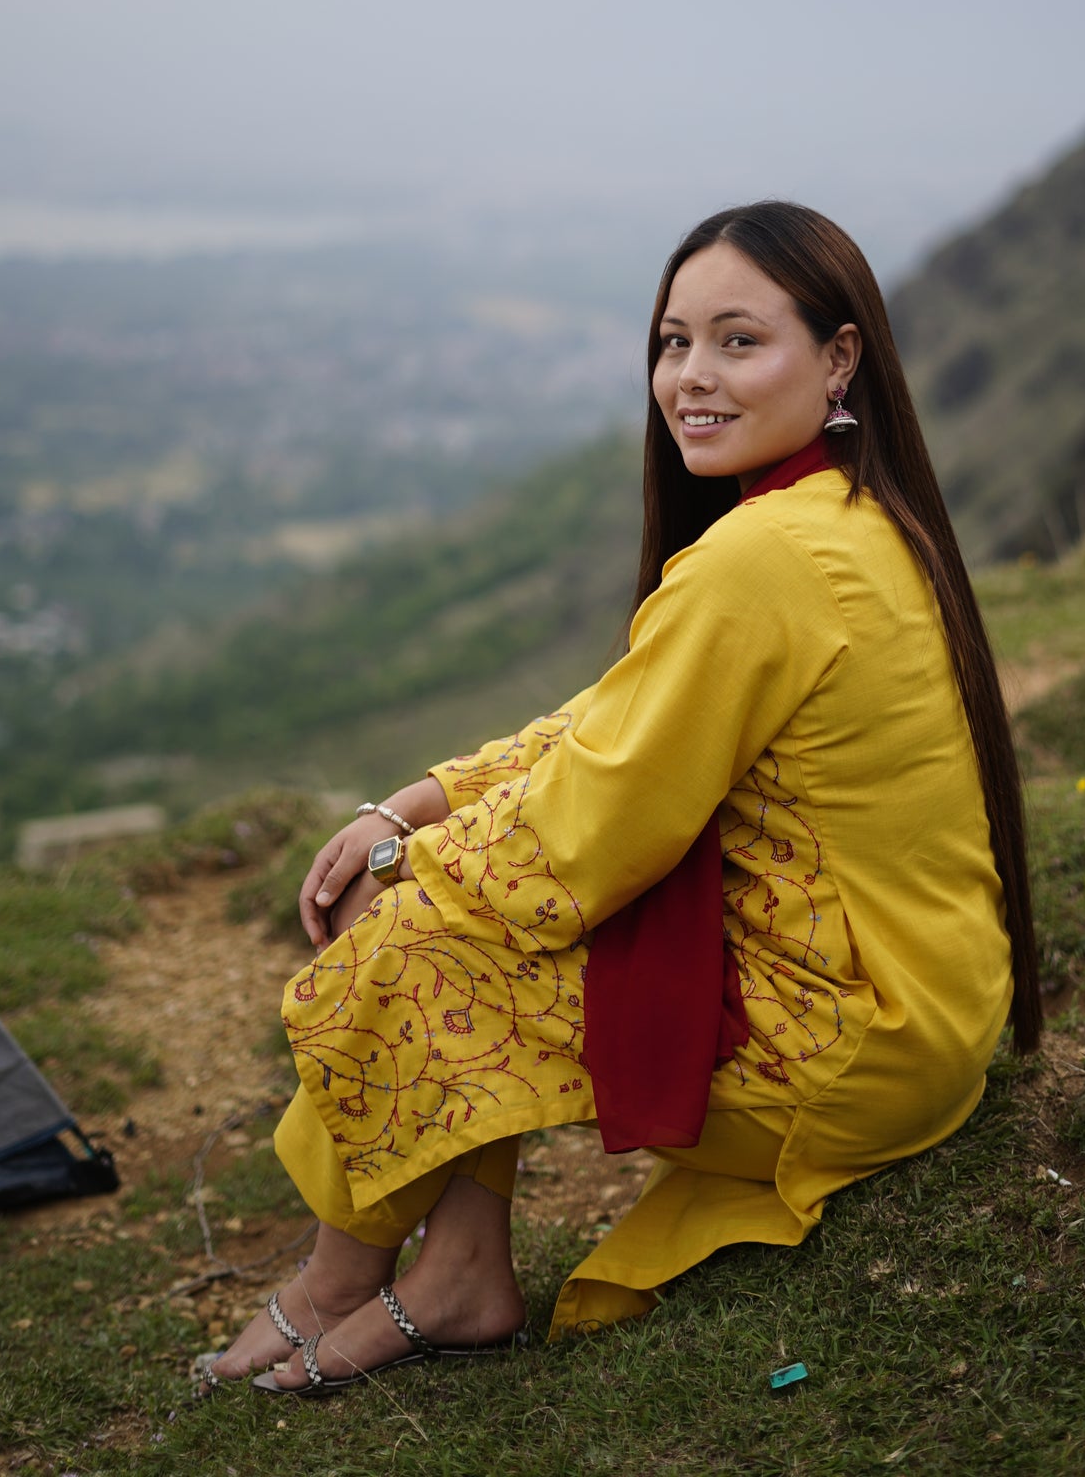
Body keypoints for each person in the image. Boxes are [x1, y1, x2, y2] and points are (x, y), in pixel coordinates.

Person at [200, 199, 1040, 1399]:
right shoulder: (847, 515)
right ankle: (449, 1270)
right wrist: (424, 799)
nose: (690, 377)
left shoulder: (764, 558)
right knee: (452, 910)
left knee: (428, 932)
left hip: (849, 1043)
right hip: (927, 1006)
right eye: (670, 342)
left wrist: (397, 877)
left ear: (838, 356)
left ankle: (356, 1278)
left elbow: (586, 832)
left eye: (737, 342)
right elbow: (619, 717)